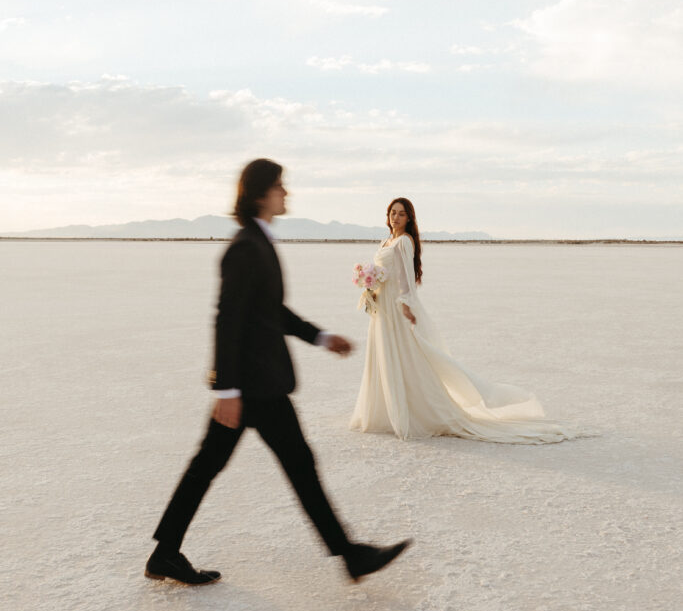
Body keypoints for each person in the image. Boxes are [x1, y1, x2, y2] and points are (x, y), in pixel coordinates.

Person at [146, 160, 411, 585]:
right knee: (287, 466)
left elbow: (269, 311)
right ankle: (349, 555)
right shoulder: (245, 248)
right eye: (279, 187)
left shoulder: (259, 242)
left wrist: (321, 337)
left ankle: (164, 554)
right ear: (259, 194)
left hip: (256, 385)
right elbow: (227, 318)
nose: (286, 193)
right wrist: (227, 390)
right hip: (253, 388)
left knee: (225, 467)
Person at [350, 197, 575, 444]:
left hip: (394, 308)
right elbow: (385, 273)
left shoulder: (404, 242)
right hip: (380, 308)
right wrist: (370, 285)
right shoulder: (386, 241)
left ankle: (417, 409)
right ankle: (383, 410)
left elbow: (406, 278)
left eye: (401, 214)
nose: (396, 217)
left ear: (409, 218)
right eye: (393, 213)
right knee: (383, 355)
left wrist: (406, 305)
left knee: (405, 355)